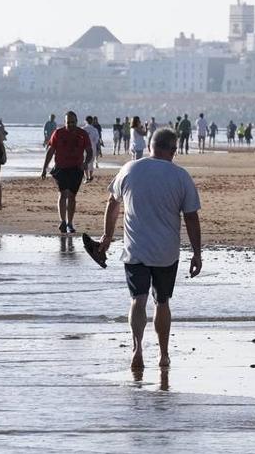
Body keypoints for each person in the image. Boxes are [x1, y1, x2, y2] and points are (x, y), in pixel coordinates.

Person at [96, 128, 202, 373]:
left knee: (138, 299)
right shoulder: (180, 176)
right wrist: (197, 253)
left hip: (135, 249)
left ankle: (137, 349)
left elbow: (112, 204)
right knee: (162, 302)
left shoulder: (130, 169)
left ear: (151, 145)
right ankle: (164, 355)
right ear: (173, 150)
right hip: (166, 252)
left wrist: (107, 235)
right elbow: (191, 218)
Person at [41, 111, 93, 234]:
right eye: (68, 122)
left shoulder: (82, 134)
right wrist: (44, 168)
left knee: (72, 196)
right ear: (64, 122)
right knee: (63, 193)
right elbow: (50, 150)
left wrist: (86, 163)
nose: (70, 124)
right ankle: (62, 222)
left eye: (73, 122)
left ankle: (70, 223)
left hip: (76, 168)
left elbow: (89, 151)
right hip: (61, 168)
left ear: (77, 121)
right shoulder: (58, 133)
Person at [82, 116, 102, 182]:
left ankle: (86, 177)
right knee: (91, 162)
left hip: (84, 147)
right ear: (92, 121)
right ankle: (90, 176)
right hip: (92, 146)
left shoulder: (83, 129)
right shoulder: (94, 129)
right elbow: (96, 140)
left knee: (85, 162)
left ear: (85, 121)